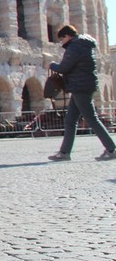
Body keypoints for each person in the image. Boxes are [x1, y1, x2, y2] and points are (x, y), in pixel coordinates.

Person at [47, 25, 116, 162]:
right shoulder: (83, 45)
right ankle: (64, 152)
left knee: (91, 119)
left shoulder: (74, 47)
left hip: (80, 87)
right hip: (82, 86)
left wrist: (52, 65)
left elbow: (64, 67)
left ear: (67, 36)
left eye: (61, 39)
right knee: (70, 121)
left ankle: (111, 149)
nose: (61, 43)